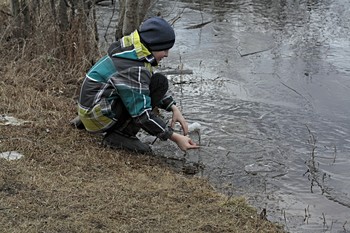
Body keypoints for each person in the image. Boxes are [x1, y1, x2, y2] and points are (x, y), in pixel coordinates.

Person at [72, 17, 199, 154]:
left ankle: (86, 121)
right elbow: (142, 115)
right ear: (154, 45)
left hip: (89, 108)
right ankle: (120, 136)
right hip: (96, 116)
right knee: (153, 89)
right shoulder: (134, 68)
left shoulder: (132, 50)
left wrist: (173, 107)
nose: (167, 54)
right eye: (164, 49)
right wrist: (175, 137)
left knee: (157, 82)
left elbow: (145, 83)